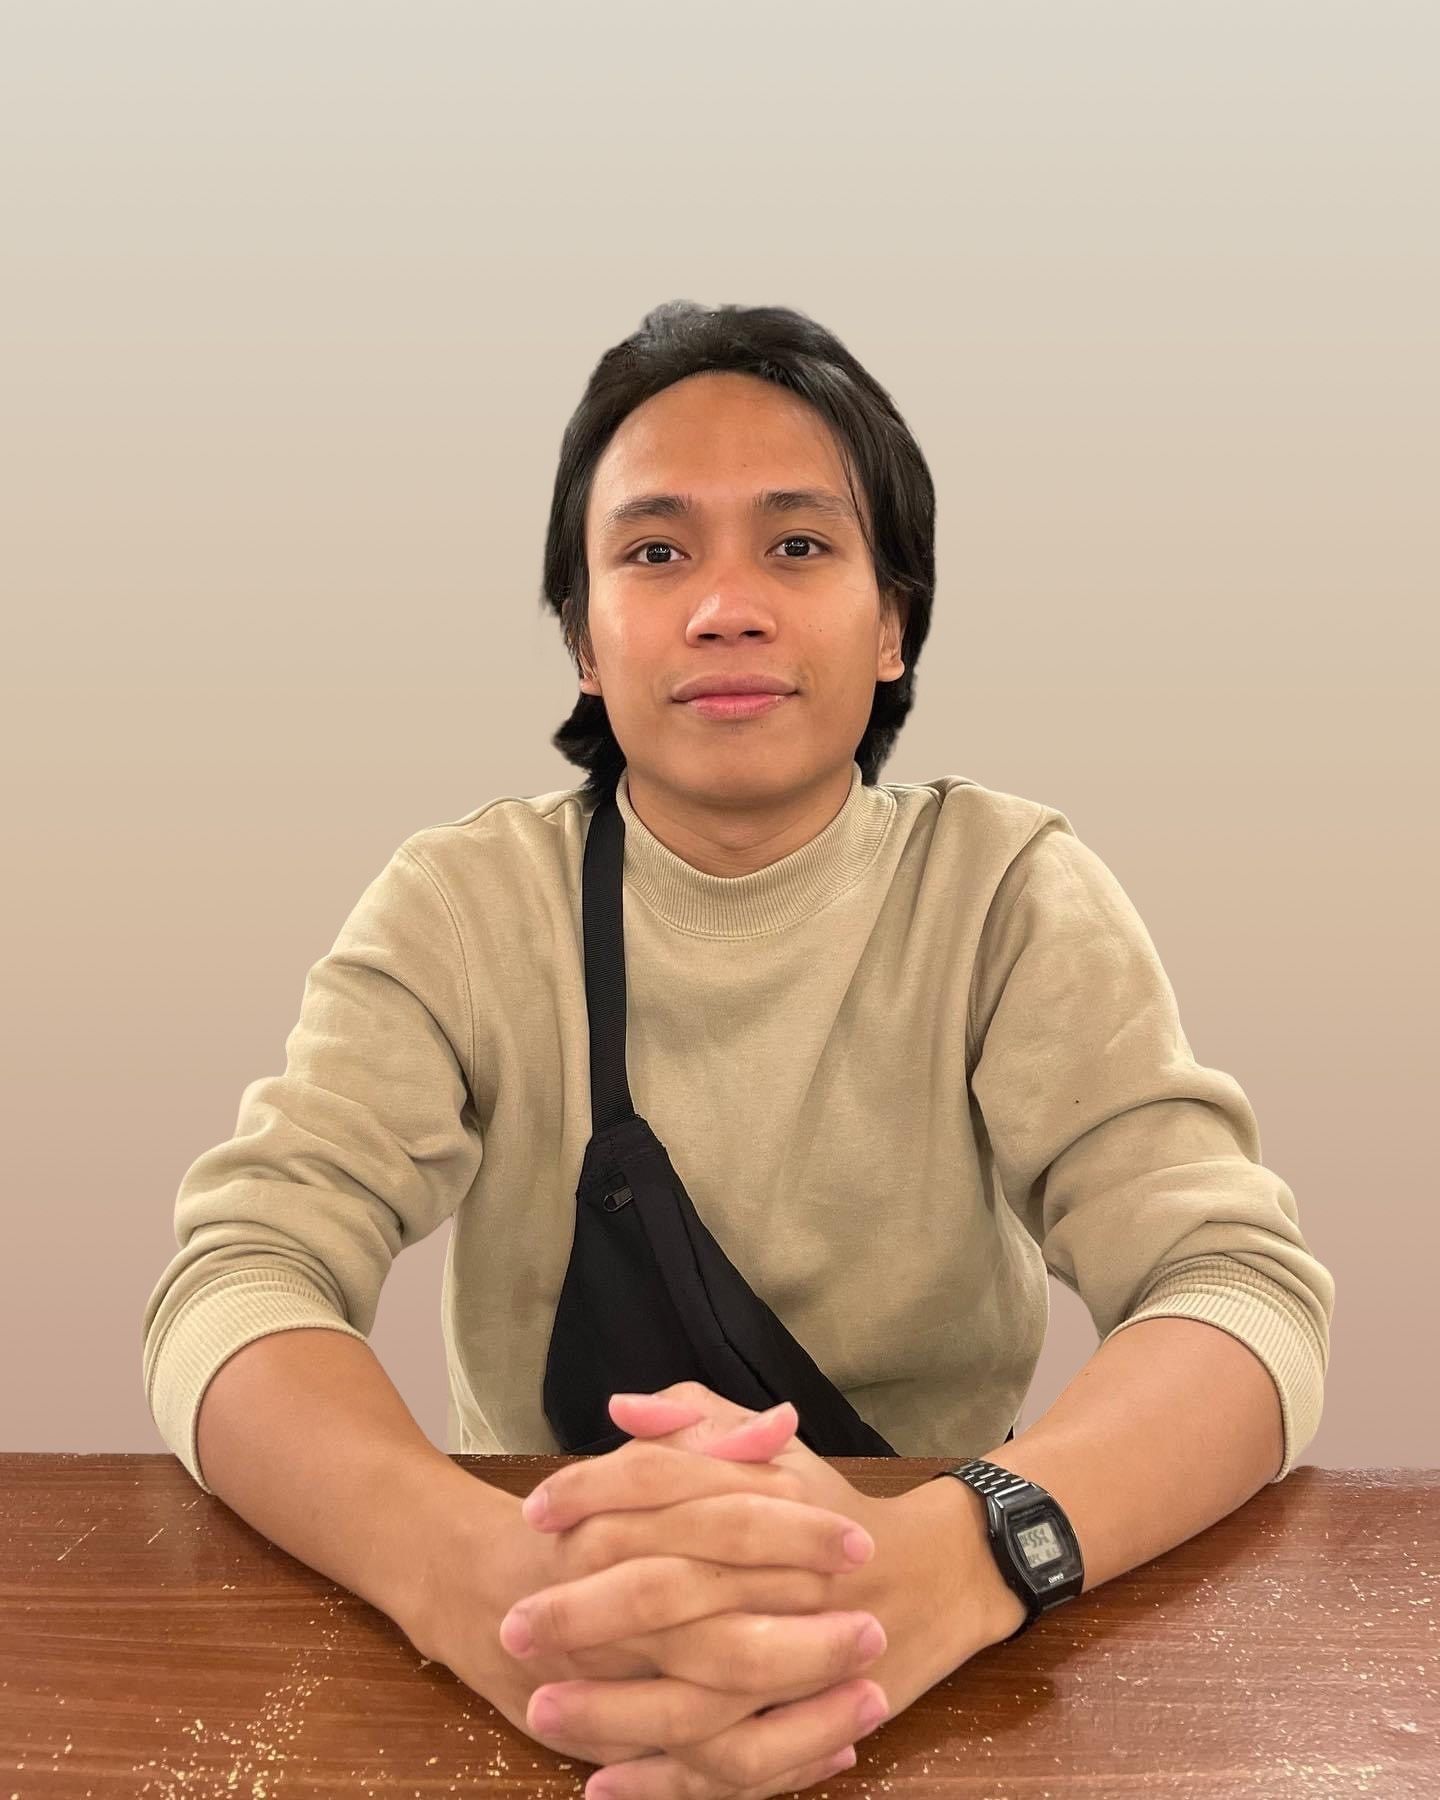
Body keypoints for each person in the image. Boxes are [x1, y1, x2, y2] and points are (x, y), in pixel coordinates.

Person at [141, 300, 1335, 1800]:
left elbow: (1238, 1291)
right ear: (583, 637)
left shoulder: (1004, 889)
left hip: (938, 1638)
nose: (727, 606)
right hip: (554, 1627)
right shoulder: (464, 906)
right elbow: (236, 1280)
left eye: (798, 545)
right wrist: (474, 1580)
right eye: (654, 552)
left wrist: (952, 1563)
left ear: (893, 622)